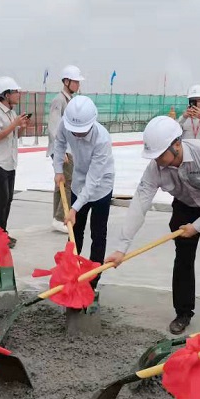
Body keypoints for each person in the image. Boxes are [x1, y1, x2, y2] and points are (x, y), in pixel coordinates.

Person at [106, 116, 200, 334]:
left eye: (160, 154)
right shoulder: (155, 168)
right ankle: (183, 312)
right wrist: (121, 248)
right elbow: (140, 204)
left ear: (177, 144)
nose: (157, 160)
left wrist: (198, 226)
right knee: (183, 259)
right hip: (185, 204)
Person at [51, 96, 115, 284]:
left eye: (81, 131)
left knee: (98, 233)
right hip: (79, 180)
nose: (77, 135)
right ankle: (70, 274)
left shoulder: (102, 139)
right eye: (74, 131)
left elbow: (93, 180)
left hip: (101, 186)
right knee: (75, 231)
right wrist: (58, 170)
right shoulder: (66, 123)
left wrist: (74, 209)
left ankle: (92, 281)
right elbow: (59, 143)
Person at [0, 77, 30, 245]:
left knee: (8, 199)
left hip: (10, 162)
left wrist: (21, 127)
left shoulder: (12, 114)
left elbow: (13, 136)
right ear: (6, 95)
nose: (18, 95)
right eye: (15, 92)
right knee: (1, 200)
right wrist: (14, 125)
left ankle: (3, 232)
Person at [49, 66, 83, 233]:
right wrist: (60, 152)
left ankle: (57, 218)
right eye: (75, 81)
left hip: (68, 149)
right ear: (66, 81)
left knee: (62, 183)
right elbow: (54, 126)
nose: (78, 85)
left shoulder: (69, 100)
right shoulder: (59, 100)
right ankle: (61, 218)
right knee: (68, 183)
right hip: (63, 150)